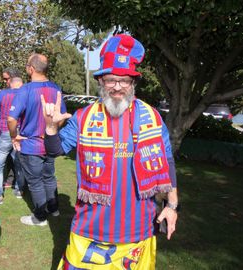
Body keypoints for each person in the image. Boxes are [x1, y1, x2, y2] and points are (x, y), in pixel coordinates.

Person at [41, 34, 179, 269]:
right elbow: (54, 151)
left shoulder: (152, 117)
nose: (117, 87)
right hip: (89, 230)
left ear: (133, 83)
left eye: (124, 80)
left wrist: (172, 206)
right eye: (111, 80)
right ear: (101, 81)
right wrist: (51, 127)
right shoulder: (83, 118)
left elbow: (167, 163)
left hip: (138, 231)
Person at [8, 53, 66, 226]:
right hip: (50, 143)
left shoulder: (25, 90)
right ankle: (54, 209)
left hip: (31, 145)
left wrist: (13, 136)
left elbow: (11, 119)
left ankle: (40, 217)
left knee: (35, 182)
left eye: (26, 65)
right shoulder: (56, 88)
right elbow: (61, 116)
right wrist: (52, 131)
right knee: (49, 177)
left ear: (31, 69)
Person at [0, 75, 24, 204]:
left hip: (6, 131)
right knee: (19, 161)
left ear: (10, 83)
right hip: (22, 131)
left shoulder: (3, 94)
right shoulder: (27, 94)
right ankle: (19, 190)